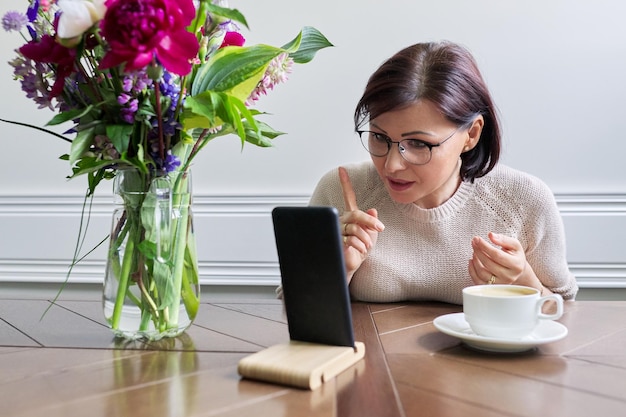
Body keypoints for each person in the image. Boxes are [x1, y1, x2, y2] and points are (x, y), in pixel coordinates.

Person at [309, 41, 578, 304]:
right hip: (368, 349)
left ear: (471, 134)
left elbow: (563, 309)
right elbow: (296, 310)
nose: (391, 165)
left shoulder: (524, 200)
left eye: (417, 143)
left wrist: (523, 282)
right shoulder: (339, 192)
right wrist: (340, 271)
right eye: (379, 136)